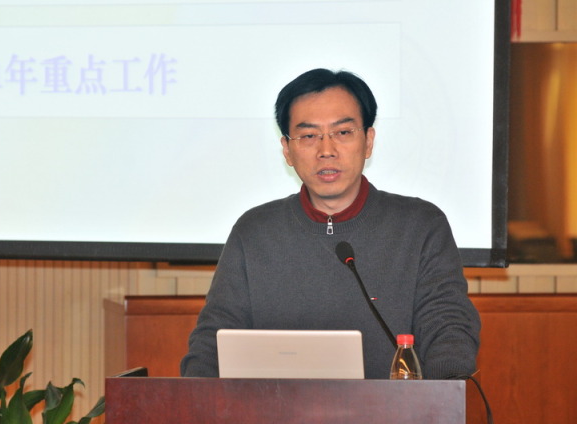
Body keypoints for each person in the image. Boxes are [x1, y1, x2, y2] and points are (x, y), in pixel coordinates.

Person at [180, 68, 480, 379]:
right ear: (287, 150)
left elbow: (448, 328)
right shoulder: (254, 232)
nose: (326, 151)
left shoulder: (421, 226)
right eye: (309, 136)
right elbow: (213, 342)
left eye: (343, 132)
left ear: (368, 142)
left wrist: (444, 393)